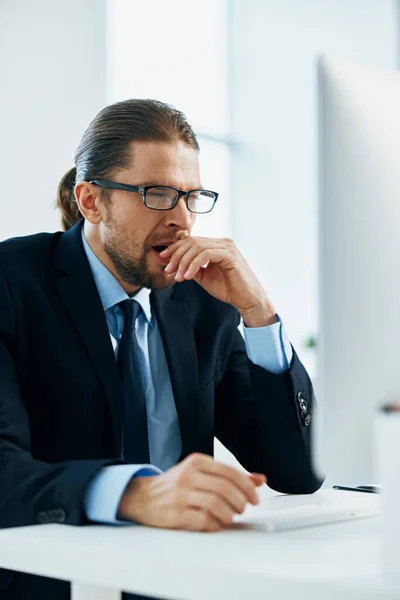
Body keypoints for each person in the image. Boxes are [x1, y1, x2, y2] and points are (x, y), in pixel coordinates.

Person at [0, 99, 322, 600]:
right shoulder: (12, 283)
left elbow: (296, 472)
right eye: (156, 194)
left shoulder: (202, 302)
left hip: (180, 581)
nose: (181, 220)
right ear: (91, 202)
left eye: (192, 197)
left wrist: (258, 314)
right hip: (49, 583)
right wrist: (135, 493)